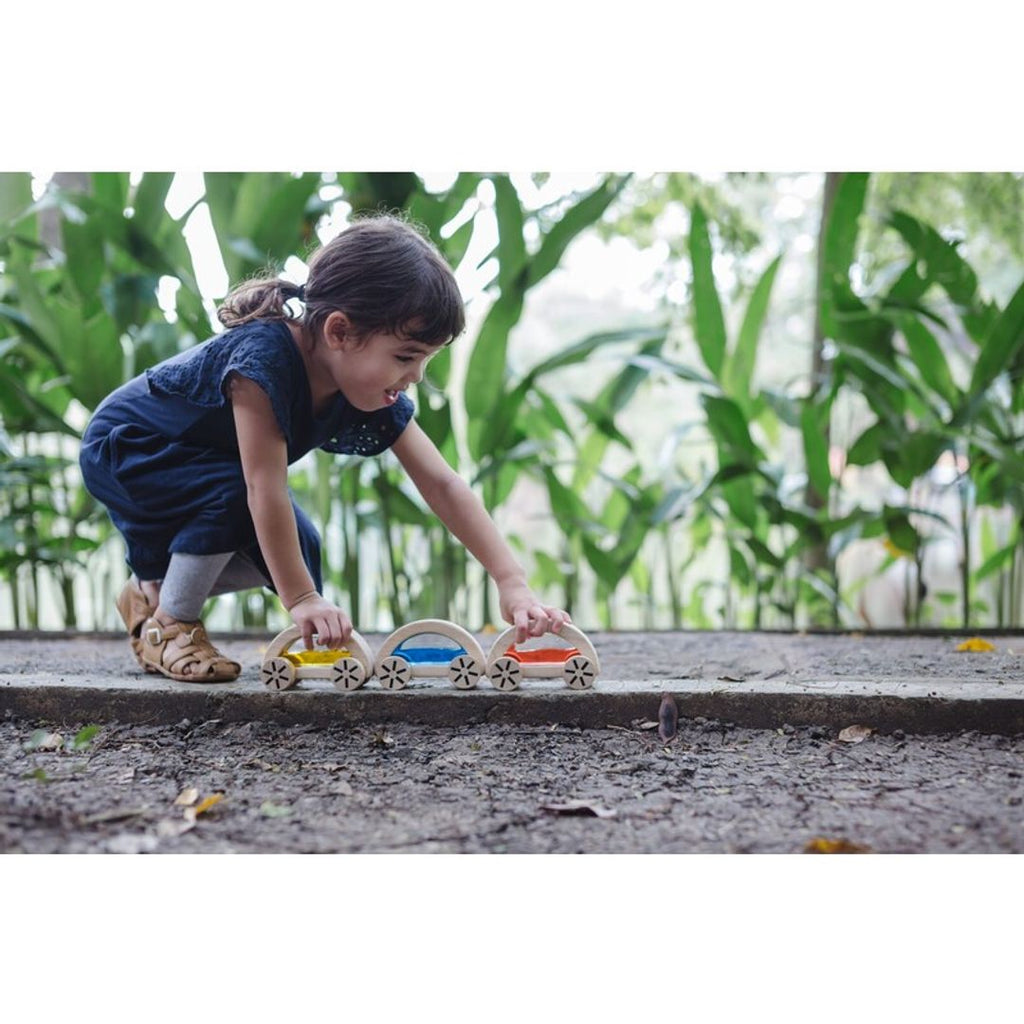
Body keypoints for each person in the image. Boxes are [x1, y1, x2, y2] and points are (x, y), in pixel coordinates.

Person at [80, 213, 570, 683]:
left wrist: (511, 580)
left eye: (425, 361)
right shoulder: (263, 358)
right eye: (405, 357)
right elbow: (260, 486)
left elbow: (441, 483)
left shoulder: (365, 383)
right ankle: (170, 625)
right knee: (238, 499)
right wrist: (303, 600)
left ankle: (154, 592)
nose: (415, 377)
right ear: (339, 331)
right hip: (129, 448)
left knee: (302, 543)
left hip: (205, 469)